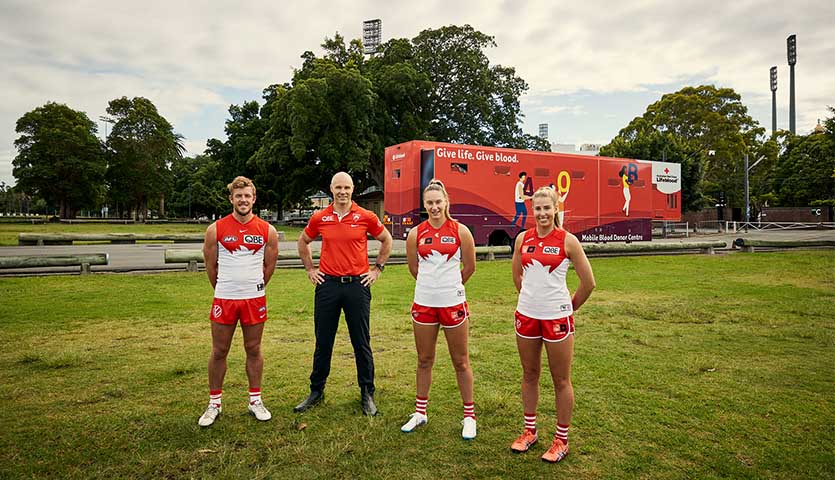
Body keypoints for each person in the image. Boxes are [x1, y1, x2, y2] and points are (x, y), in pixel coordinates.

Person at [295, 172, 393, 416]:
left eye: (347, 187)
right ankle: (316, 391)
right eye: (338, 187)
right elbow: (303, 241)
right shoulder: (321, 216)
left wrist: (377, 269)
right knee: (323, 341)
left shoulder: (365, 216)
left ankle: (367, 392)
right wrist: (310, 269)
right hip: (328, 285)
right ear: (331, 189)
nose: (342, 191)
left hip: (357, 286)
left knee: (361, 341)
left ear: (352, 190)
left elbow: (386, 239)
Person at [509, 186, 595, 463]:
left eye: (547, 208)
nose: (542, 213)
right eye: (538, 208)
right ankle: (530, 432)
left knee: (560, 379)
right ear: (532, 210)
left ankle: (561, 440)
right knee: (529, 374)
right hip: (527, 316)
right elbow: (517, 277)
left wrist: (567, 308)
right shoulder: (523, 238)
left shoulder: (568, 241)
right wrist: (530, 301)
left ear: (556, 208)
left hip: (557, 319)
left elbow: (588, 283)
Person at [198, 176, 279, 427]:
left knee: (253, 349)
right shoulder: (216, 229)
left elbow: (269, 267)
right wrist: (226, 288)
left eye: (247, 196)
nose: (243, 200)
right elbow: (210, 267)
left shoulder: (268, 230)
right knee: (219, 350)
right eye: (238, 196)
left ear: (254, 199)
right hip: (225, 297)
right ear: (231, 199)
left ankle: (255, 400)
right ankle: (214, 403)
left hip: (254, 298)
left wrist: (251, 287)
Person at [401, 179, 478, 439]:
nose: (434, 207)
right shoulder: (415, 234)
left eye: (438, 202)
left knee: (461, 361)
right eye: (429, 203)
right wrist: (430, 288)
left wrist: (451, 286)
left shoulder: (461, 231)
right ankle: (420, 412)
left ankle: (469, 416)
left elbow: (469, 267)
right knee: (424, 359)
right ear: (424, 205)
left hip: (453, 303)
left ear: (446, 202)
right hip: (424, 302)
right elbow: (414, 269)